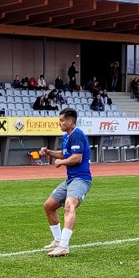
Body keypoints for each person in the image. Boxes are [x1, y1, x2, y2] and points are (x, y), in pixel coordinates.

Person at [39, 108, 91, 257]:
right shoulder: (67, 136)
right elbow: (64, 153)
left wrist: (61, 162)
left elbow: (77, 158)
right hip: (71, 180)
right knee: (49, 206)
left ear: (70, 121)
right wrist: (49, 152)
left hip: (81, 179)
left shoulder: (77, 134)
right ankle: (57, 240)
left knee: (69, 205)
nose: (59, 123)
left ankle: (64, 246)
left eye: (61, 120)